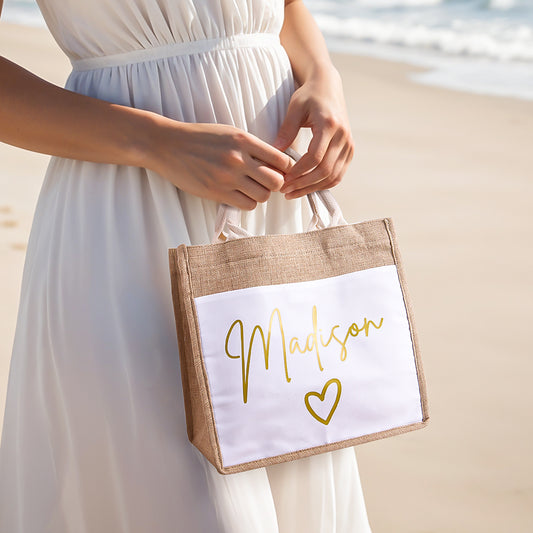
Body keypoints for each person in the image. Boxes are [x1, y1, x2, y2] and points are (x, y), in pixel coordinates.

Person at [0, 0, 372, 531]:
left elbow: (286, 7)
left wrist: (322, 77)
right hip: (125, 222)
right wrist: (156, 141)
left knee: (292, 490)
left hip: (272, 226)